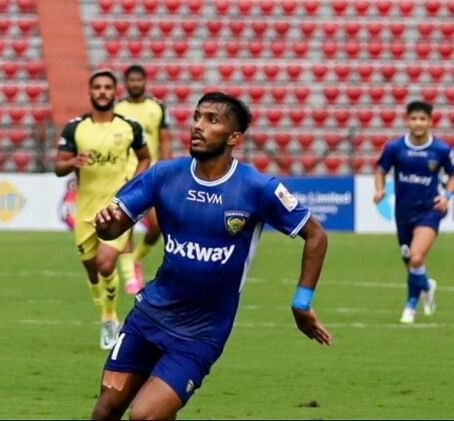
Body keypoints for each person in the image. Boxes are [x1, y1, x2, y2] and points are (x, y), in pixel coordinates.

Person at [90, 92, 332, 420]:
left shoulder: (257, 188)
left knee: (144, 415)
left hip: (200, 334)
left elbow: (315, 235)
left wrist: (301, 302)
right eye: (197, 117)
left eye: (211, 120)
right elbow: (113, 228)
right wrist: (106, 225)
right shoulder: (164, 175)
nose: (198, 126)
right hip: (148, 317)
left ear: (234, 138)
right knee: (106, 409)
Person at [55, 69, 151, 350]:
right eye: (97, 87)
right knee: (92, 272)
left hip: (117, 209)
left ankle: (110, 320)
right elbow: (58, 167)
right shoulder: (75, 128)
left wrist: (134, 183)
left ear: (114, 92)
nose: (102, 92)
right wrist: (73, 161)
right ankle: (106, 315)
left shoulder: (129, 127)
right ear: (91, 92)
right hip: (84, 211)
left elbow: (145, 157)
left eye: (107, 87)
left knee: (105, 263)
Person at [374, 100, 454, 324]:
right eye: (414, 118)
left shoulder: (440, 149)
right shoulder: (395, 148)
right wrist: (379, 190)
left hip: (430, 211)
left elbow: (452, 175)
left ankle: (410, 306)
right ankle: (427, 286)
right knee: (410, 262)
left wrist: (446, 197)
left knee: (417, 257)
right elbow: (381, 170)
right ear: (407, 120)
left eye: (422, 119)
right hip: (403, 213)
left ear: (430, 121)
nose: (418, 123)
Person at [114, 64, 173, 295]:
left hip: (151, 174)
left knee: (157, 225)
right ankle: (130, 276)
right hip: (123, 174)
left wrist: (166, 165)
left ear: (145, 82)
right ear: (126, 82)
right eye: (132, 80)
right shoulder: (118, 108)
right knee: (123, 227)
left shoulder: (156, 107)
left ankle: (134, 259)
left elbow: (165, 139)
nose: (136, 84)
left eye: (139, 80)